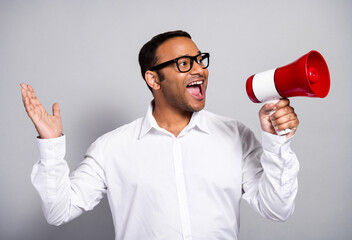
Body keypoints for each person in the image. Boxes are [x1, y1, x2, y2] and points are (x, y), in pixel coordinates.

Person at [21, 30, 299, 240]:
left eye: (200, 60)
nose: (200, 69)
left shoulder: (236, 135)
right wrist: (51, 143)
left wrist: (276, 142)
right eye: (184, 63)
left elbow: (277, 209)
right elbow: (59, 211)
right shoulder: (111, 148)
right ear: (153, 79)